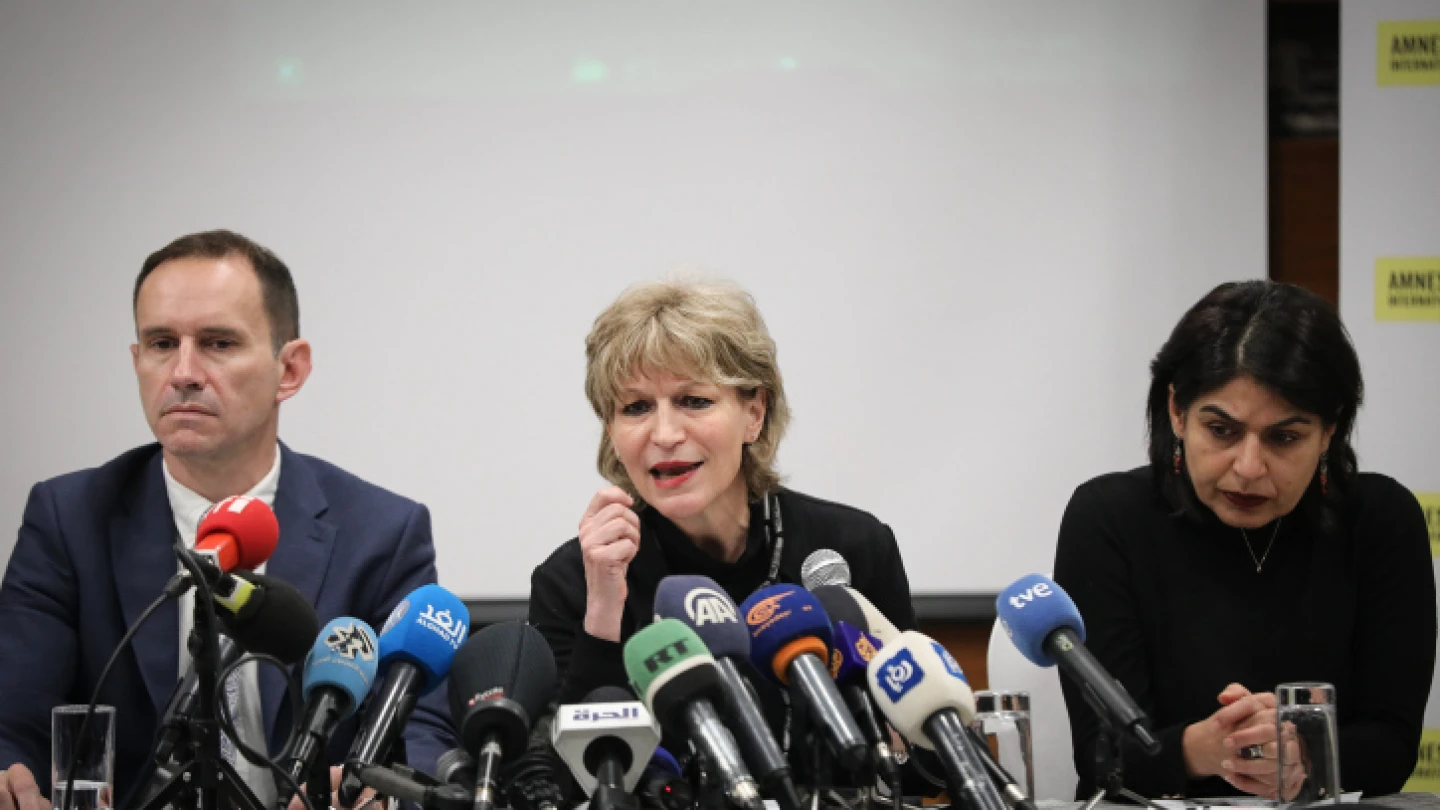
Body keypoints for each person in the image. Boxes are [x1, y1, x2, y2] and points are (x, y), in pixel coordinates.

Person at [0, 230, 456, 810]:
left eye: (217, 343)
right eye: (162, 343)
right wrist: (7, 774)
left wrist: (379, 795)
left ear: (289, 369)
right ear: (137, 360)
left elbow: (421, 732)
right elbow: (11, 718)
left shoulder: (382, 533)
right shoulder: (70, 519)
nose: (184, 372)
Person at [1054, 280, 1435, 800]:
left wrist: (1303, 755)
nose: (1249, 468)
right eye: (1223, 431)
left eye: (1284, 437)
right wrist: (1205, 747)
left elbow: (1392, 747)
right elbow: (1102, 756)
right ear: (1178, 413)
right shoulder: (1107, 519)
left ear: (1329, 431)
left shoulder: (1381, 522)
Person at [528, 278, 918, 753]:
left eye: (694, 400)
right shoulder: (574, 579)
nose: (665, 433)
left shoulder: (849, 549)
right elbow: (557, 783)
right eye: (636, 407)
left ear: (754, 412)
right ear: (611, 430)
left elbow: (928, 768)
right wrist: (604, 613)